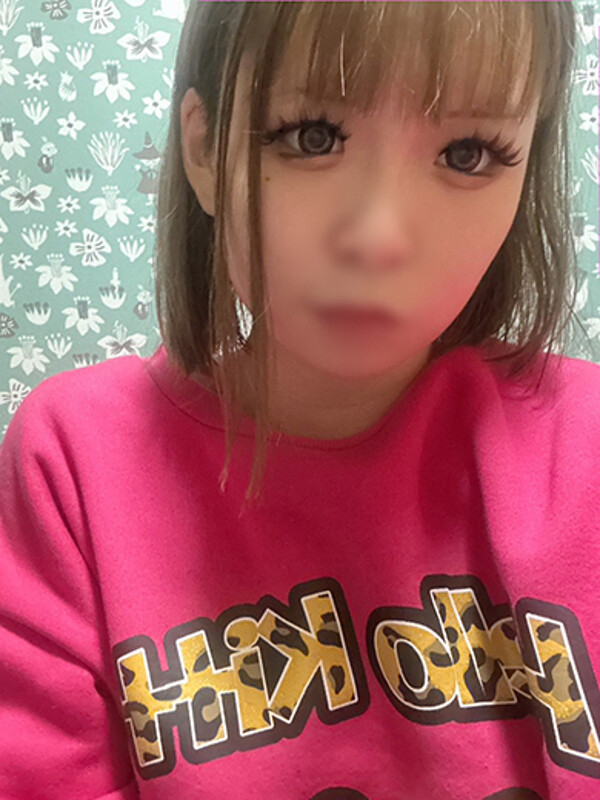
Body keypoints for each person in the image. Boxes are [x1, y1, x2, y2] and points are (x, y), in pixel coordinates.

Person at [1, 2, 598, 799]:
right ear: (204, 149)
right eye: (312, 136)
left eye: (468, 153)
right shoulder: (74, 463)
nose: (379, 237)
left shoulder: (585, 445)